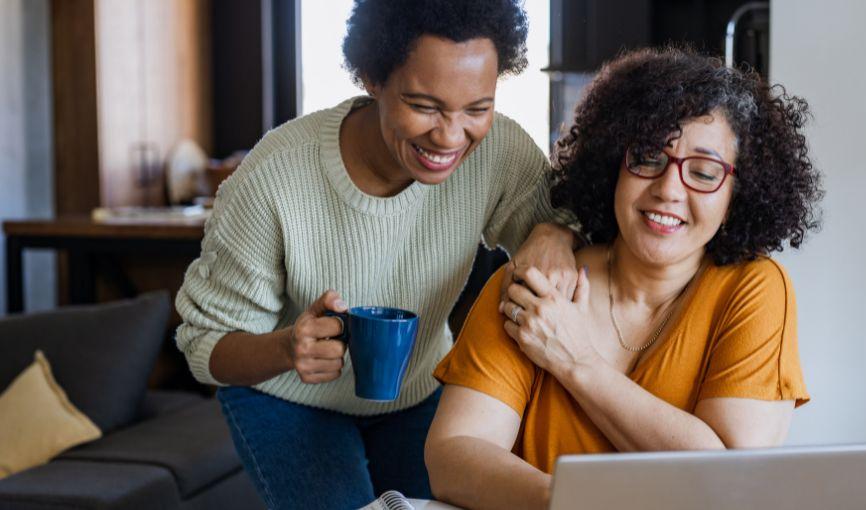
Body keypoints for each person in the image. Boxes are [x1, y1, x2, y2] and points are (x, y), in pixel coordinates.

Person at [174, 1, 580, 509]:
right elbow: (204, 345)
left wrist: (554, 232)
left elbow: (575, 220)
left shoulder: (499, 152)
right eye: (424, 106)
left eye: (477, 108)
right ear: (371, 77)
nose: (451, 136)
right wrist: (286, 349)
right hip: (285, 397)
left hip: (418, 389)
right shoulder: (272, 179)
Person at [425, 47, 824, 509]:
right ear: (614, 162)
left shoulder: (753, 289)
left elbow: (730, 483)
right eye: (648, 158)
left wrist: (577, 362)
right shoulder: (538, 282)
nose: (668, 190)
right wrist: (568, 502)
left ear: (739, 191)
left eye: (703, 172)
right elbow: (453, 456)